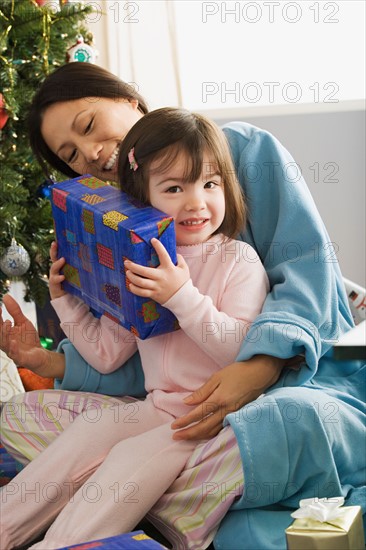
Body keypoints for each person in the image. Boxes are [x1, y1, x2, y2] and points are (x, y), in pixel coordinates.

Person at [0, 63, 364, 549]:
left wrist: (258, 366)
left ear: (129, 99)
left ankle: (141, 503)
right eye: (70, 154)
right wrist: (58, 330)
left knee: (286, 423)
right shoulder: (127, 233)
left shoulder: (242, 161)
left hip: (286, 384)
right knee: (22, 417)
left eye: (88, 126)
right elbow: (125, 353)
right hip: (164, 413)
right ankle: (174, 508)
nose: (88, 153)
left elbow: (308, 274)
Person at [0, 107, 269, 549]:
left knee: (128, 459)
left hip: (206, 420)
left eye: (210, 184)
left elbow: (236, 352)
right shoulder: (138, 263)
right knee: (90, 432)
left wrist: (181, 295)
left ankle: (61, 544)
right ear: (140, 199)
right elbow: (106, 354)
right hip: (157, 408)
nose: (196, 202)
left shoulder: (236, 260)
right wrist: (66, 303)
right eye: (174, 188)